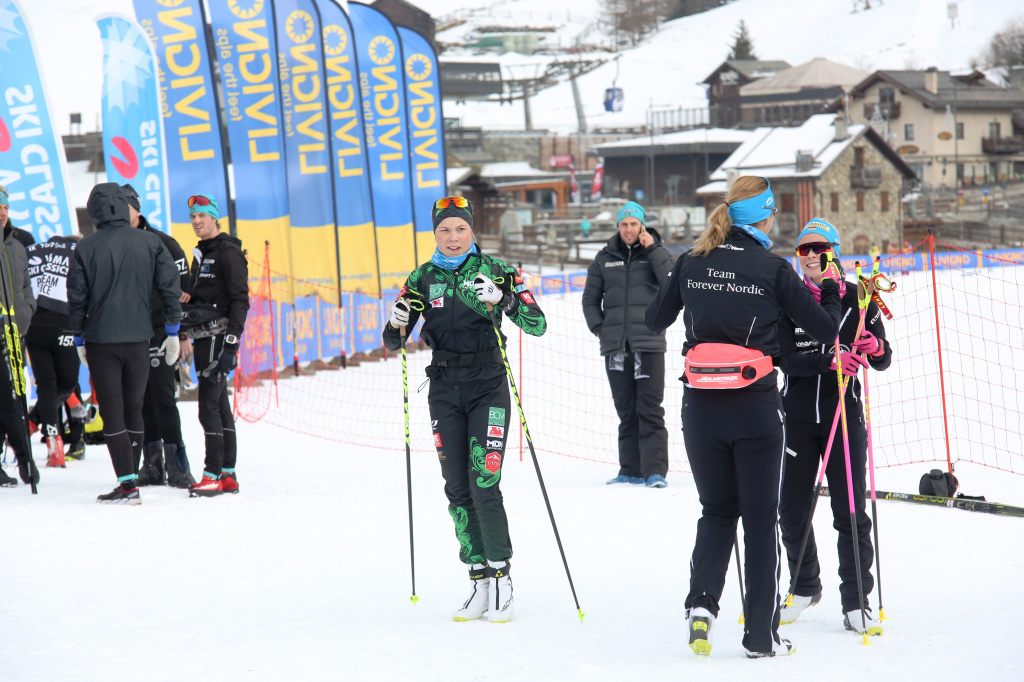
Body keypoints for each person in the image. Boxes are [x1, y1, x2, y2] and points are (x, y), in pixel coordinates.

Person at [645, 176, 842, 658]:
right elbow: (826, 327)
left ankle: (700, 608)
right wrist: (832, 287)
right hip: (754, 406)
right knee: (758, 519)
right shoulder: (773, 270)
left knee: (716, 512)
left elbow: (654, 320)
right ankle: (760, 636)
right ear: (766, 216)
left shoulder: (691, 261)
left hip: (700, 408)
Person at [382, 196, 547, 624]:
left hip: (488, 384)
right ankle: (479, 579)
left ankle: (502, 575)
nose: (453, 238)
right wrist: (396, 322)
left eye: (460, 229)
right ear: (434, 233)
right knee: (456, 487)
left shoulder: (498, 270)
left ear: (472, 230)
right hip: (444, 388)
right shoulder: (422, 277)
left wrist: (504, 300)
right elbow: (393, 342)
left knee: (483, 480)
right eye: (444, 230)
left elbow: (537, 324)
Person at [777, 219, 891, 636]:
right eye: (803, 249)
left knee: (849, 510)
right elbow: (782, 359)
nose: (809, 255)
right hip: (800, 420)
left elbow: (882, 357)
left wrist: (873, 348)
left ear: (834, 251)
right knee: (791, 509)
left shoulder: (858, 297)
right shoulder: (787, 296)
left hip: (845, 417)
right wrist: (825, 361)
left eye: (819, 248)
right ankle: (805, 585)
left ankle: (856, 600)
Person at [68, 183, 181, 504]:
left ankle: (128, 484)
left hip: (101, 340)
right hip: (140, 339)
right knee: (134, 409)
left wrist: (78, 338)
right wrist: (172, 331)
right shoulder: (151, 242)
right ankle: (131, 481)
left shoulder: (85, 247)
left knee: (114, 411)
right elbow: (170, 288)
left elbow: (77, 298)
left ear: (95, 211)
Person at [582, 201, 673, 487]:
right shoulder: (604, 258)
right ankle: (630, 469)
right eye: (624, 224)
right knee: (626, 409)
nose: (629, 229)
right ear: (618, 227)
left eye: (634, 223)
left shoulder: (655, 253)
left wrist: (653, 249)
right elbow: (590, 299)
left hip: (648, 344)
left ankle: (655, 471)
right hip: (615, 347)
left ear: (642, 225)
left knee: (650, 408)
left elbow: (671, 282)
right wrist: (599, 327)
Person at [121, 184, 194, 488]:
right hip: (131, 334)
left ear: (136, 209)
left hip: (164, 331)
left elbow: (186, 292)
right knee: (141, 400)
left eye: (124, 207)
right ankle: (152, 467)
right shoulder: (117, 243)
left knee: (163, 396)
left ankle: (178, 467)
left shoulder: (163, 242)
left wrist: (185, 334)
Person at [183, 194, 249, 498]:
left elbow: (240, 300)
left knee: (207, 407)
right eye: (193, 217)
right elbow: (208, 294)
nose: (197, 221)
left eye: (202, 216)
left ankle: (211, 474)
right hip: (203, 336)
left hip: (218, 338)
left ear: (214, 218)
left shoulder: (227, 252)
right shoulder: (202, 252)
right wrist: (190, 297)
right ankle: (227, 474)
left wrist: (231, 346)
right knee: (220, 407)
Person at [25, 233, 82, 468]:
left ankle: (53, 446)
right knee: (67, 385)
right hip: (63, 324)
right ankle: (31, 424)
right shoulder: (76, 254)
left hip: (33, 325)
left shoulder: (31, 251)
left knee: (47, 386)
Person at [0, 185, 39, 488]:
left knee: (14, 399)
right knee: (5, 399)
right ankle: (24, 457)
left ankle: (24, 458)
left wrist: (26, 311)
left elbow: (26, 286)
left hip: (15, 333)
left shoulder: (17, 245)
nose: (2, 213)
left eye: (5, 208)